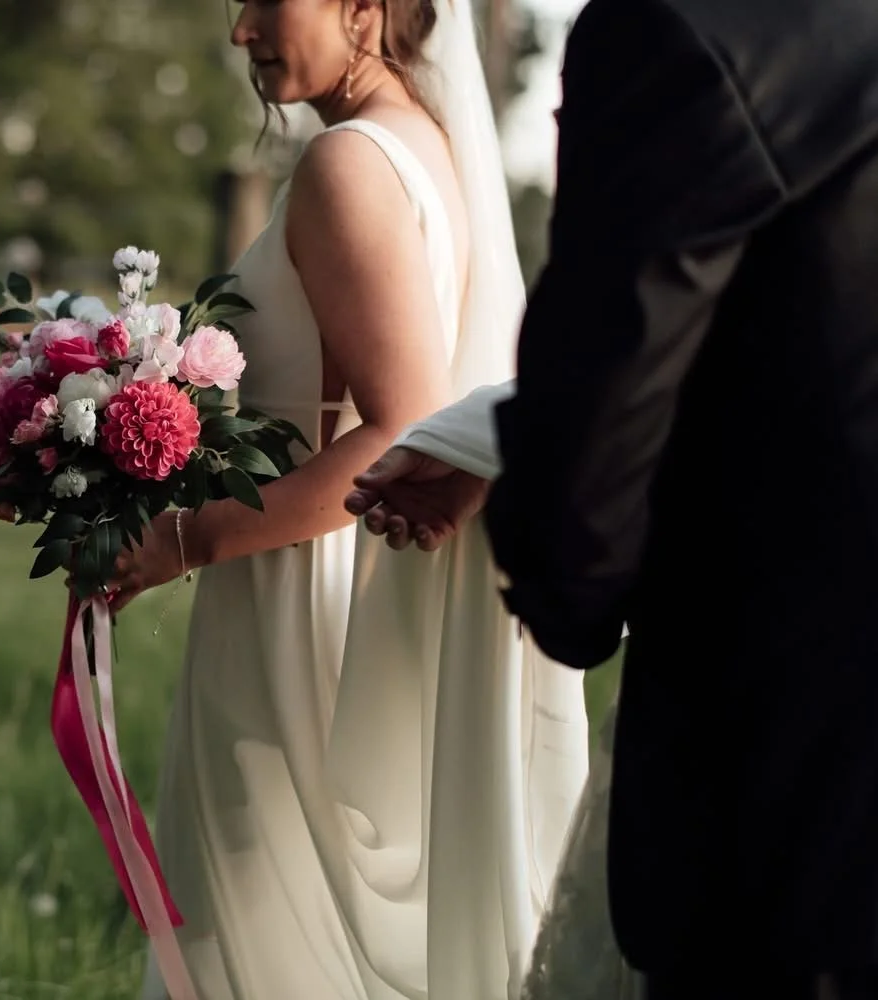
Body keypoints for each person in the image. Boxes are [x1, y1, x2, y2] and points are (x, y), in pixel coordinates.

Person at [350, 0, 878, 996]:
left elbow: (612, 393)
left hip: (807, 774)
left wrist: (566, 586)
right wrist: (495, 439)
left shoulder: (688, 28)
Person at [107, 1, 589, 996]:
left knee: (257, 938)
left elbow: (397, 428)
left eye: (265, 2)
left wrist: (180, 540)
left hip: (302, 596)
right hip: (349, 579)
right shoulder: (429, 146)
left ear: (366, 5)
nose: (242, 32)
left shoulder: (346, 166)